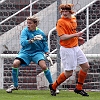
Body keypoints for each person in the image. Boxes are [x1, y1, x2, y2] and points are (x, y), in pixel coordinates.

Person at [49, 4, 90, 96]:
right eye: (62, 11)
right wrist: (76, 35)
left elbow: (71, 32)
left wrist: (77, 38)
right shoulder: (60, 22)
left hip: (75, 47)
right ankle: (53, 86)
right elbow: (63, 37)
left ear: (70, 11)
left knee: (86, 66)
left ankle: (79, 88)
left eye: (66, 11)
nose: (64, 13)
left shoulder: (73, 19)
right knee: (69, 73)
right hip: (67, 49)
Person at [6, 16, 54, 93]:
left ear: (35, 24)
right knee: (15, 63)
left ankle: (52, 86)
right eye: (27, 23)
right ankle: (15, 85)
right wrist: (32, 40)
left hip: (37, 53)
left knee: (44, 66)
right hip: (25, 52)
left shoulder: (40, 33)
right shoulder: (25, 31)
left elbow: (44, 44)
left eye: (30, 23)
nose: (28, 25)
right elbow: (23, 43)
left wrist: (46, 52)